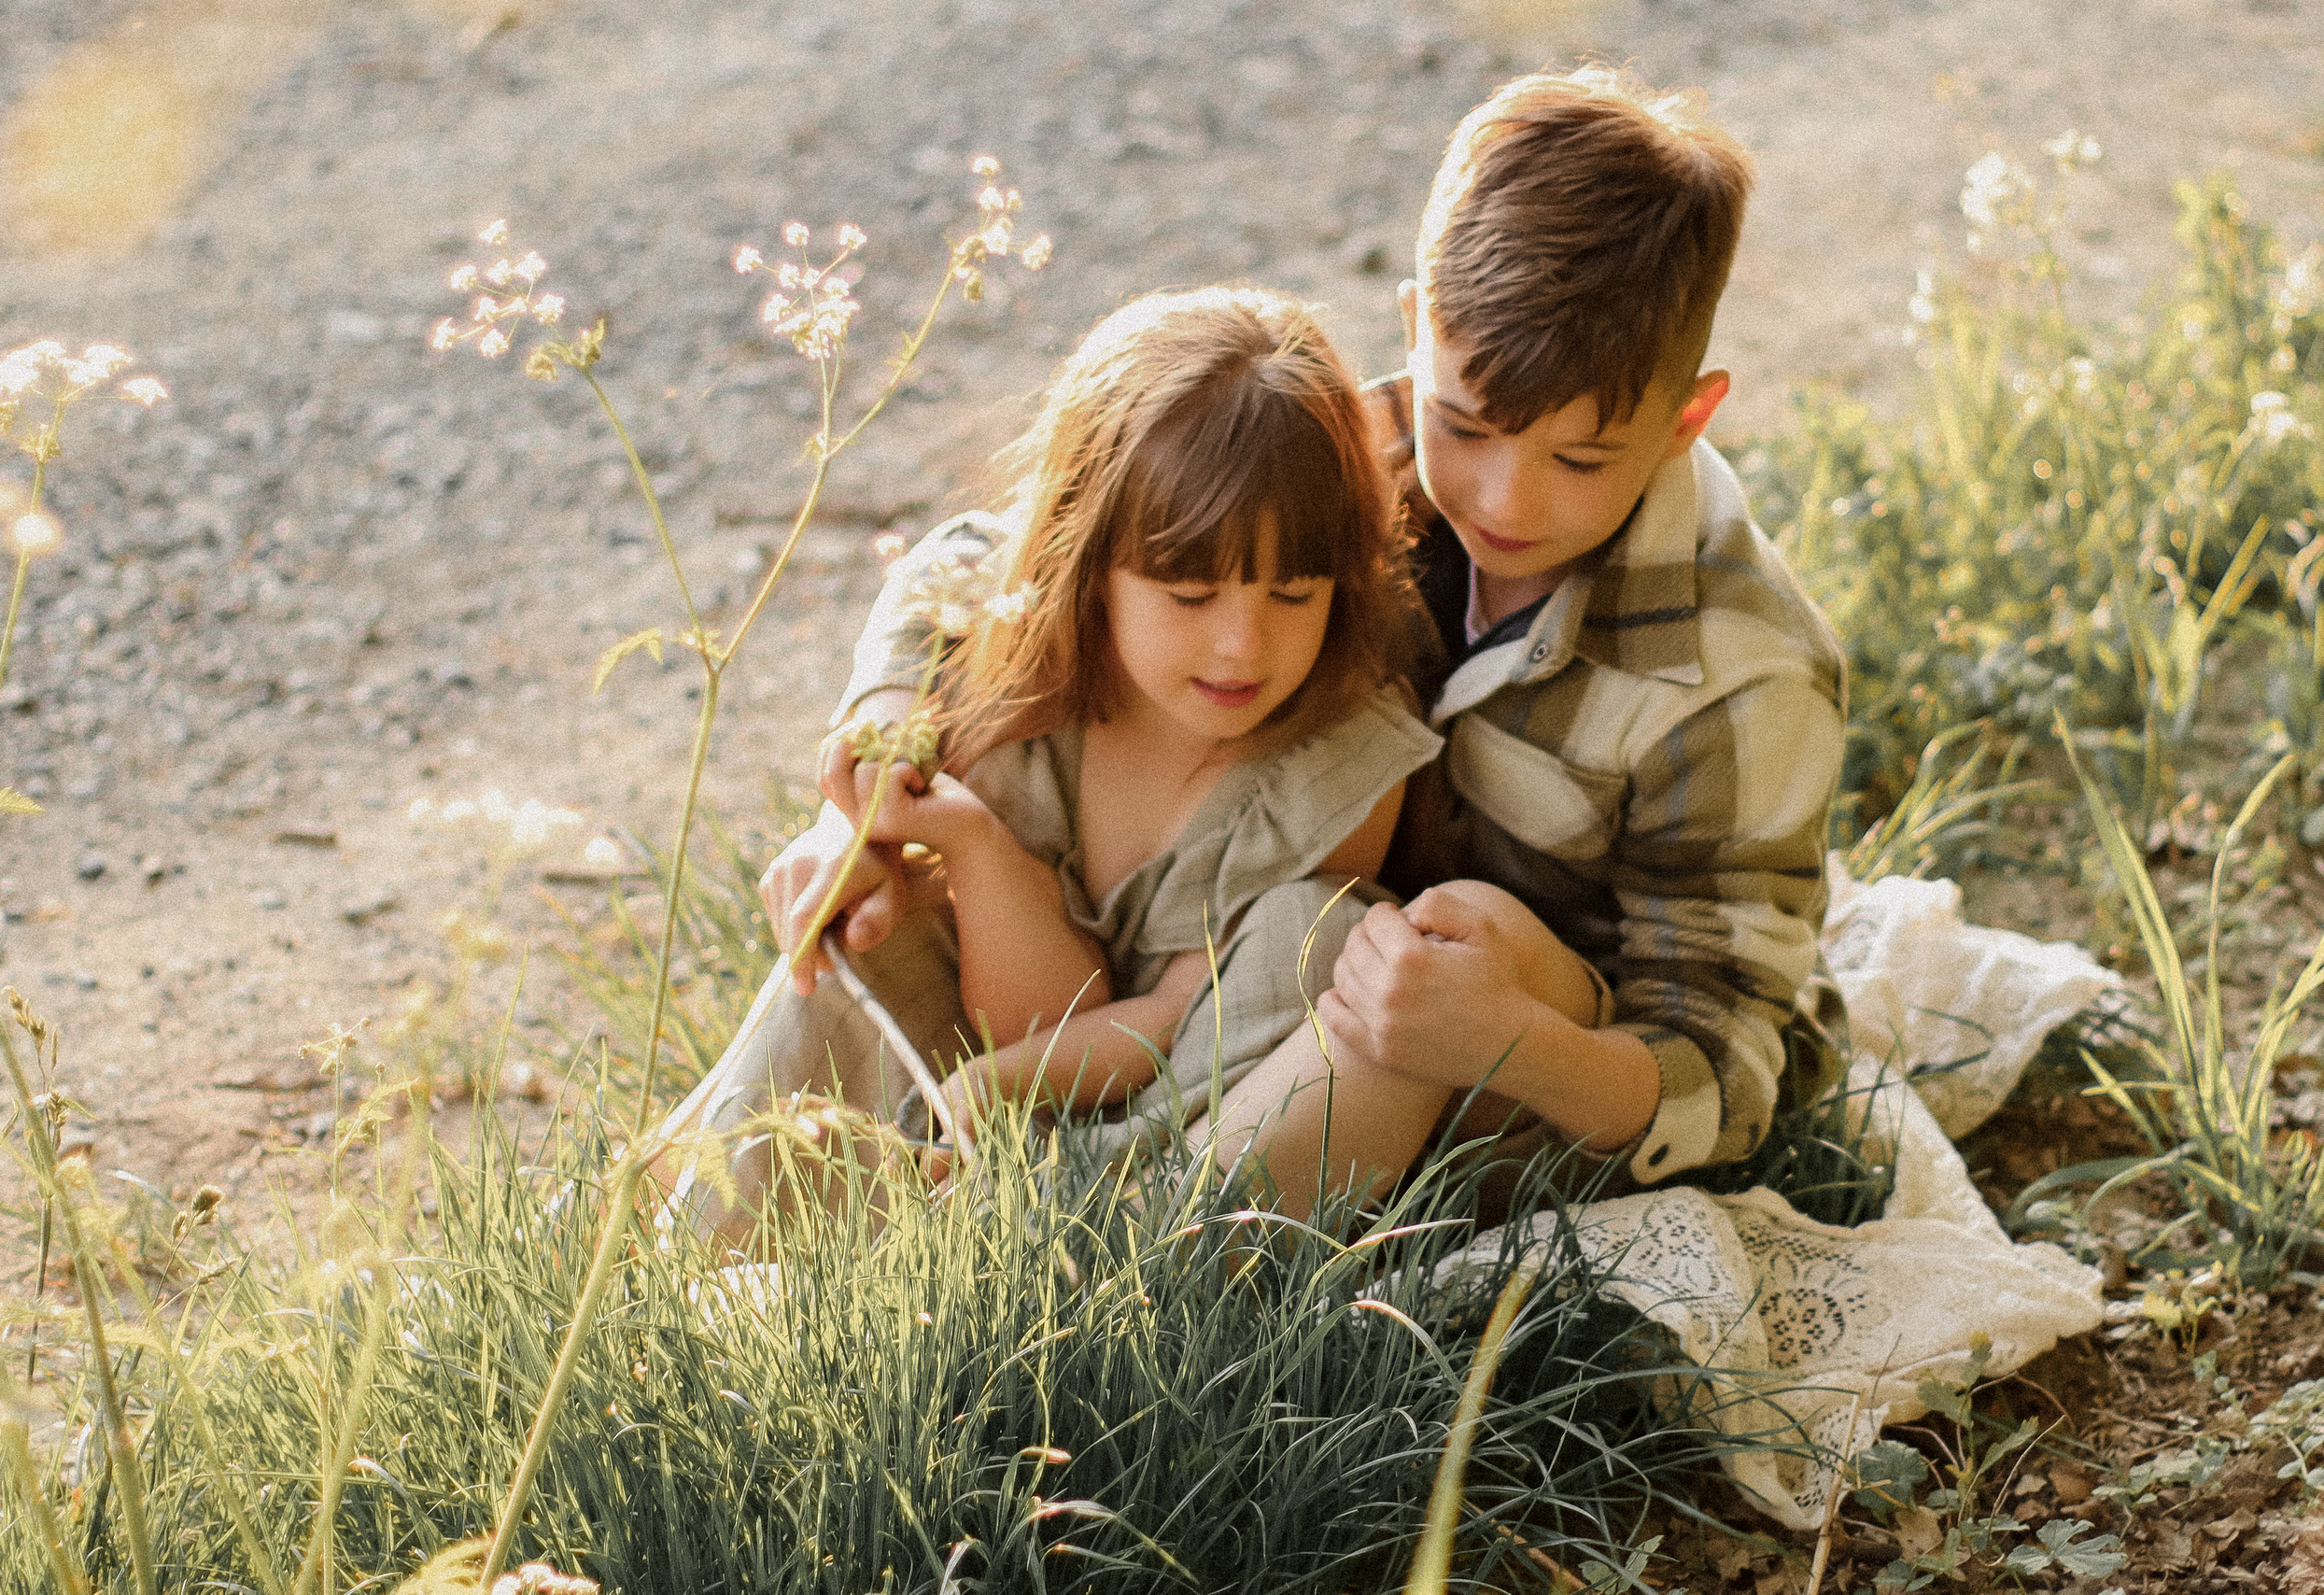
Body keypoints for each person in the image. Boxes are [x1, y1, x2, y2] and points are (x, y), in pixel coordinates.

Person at [782, 65, 1848, 1221]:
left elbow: (1729, 1070)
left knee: (1437, 932)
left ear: (1691, 412)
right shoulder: (1359, 442)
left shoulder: (1741, 672)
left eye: (1578, 460)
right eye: (1465, 424)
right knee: (910, 871)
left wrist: (1511, 1037)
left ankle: (1108, 1253)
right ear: (1415, 331)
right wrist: (884, 728)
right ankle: (792, 1191)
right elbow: (1007, 550)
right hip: (1268, 983)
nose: (1503, 497)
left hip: (1517, 1052)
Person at [655, 285, 1482, 1240]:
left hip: (1170, 1119)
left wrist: (992, 1085)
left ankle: (1063, 1247)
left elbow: (1164, 1026)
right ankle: (714, 1249)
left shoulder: (1332, 768)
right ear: (1087, 565)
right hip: (1003, 1047)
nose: (1241, 647)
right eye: (1189, 593)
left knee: (1319, 932)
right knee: (870, 927)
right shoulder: (1015, 670)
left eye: (1293, 594)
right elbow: (950, 561)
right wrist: (961, 837)